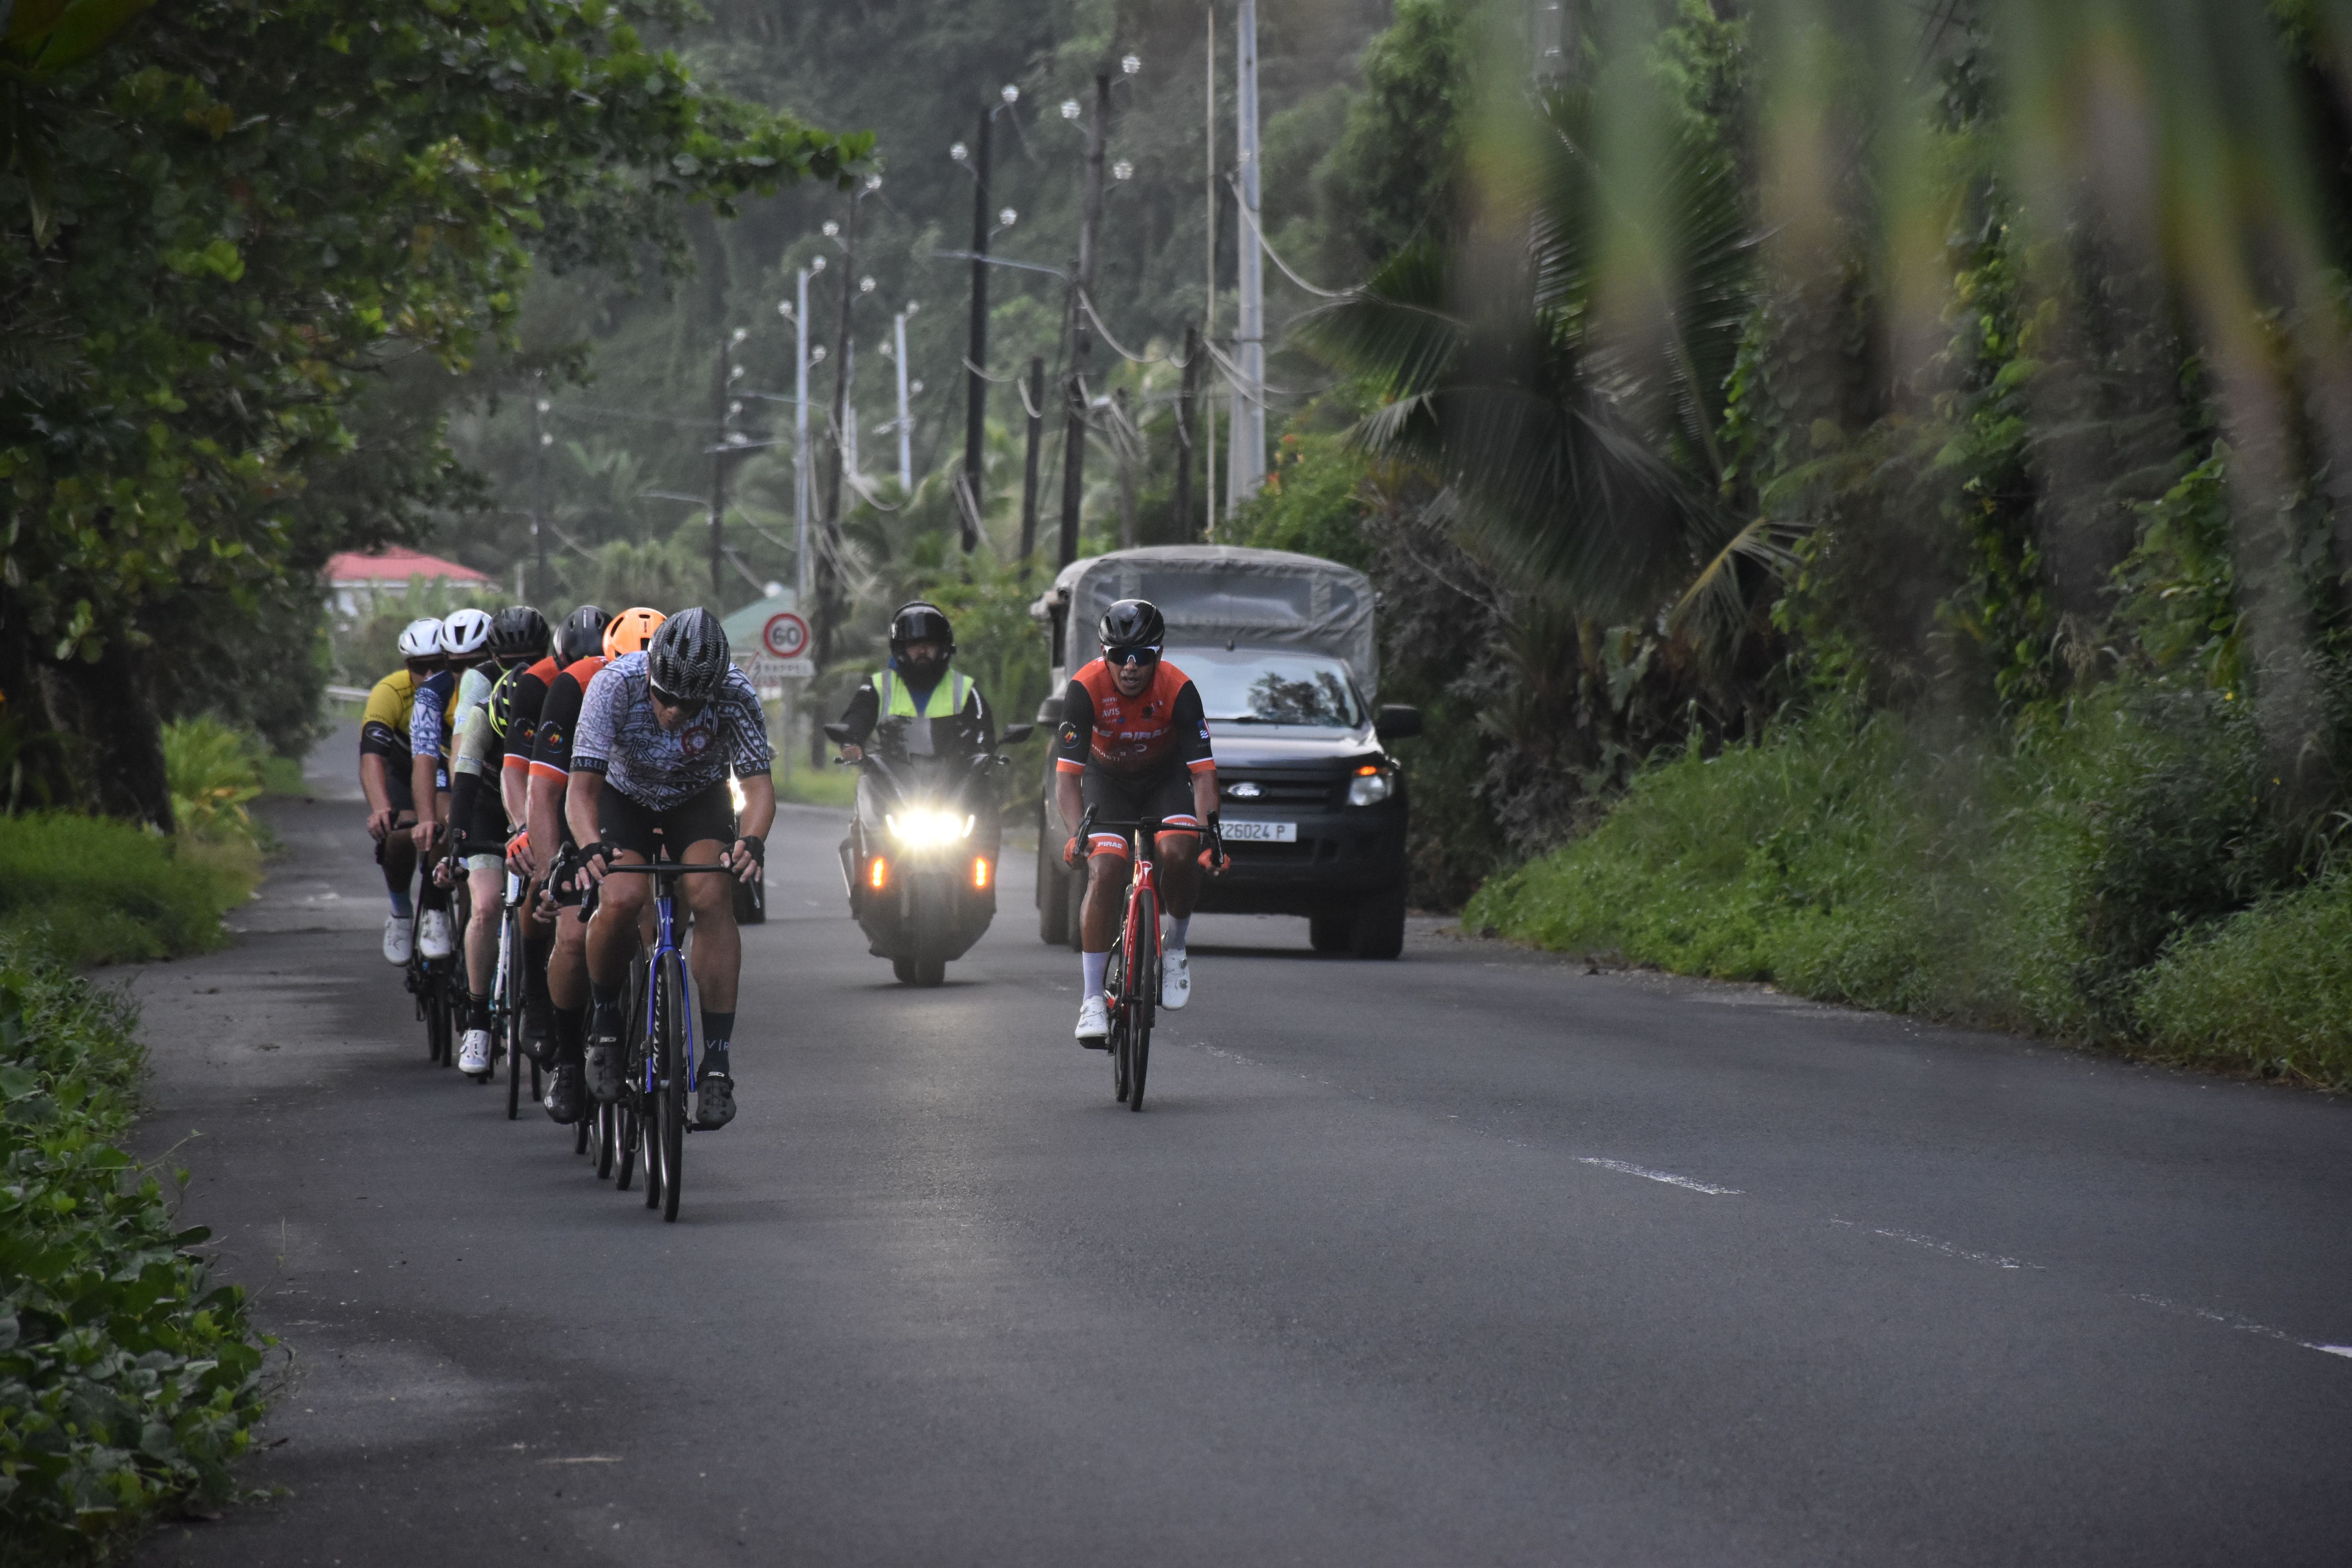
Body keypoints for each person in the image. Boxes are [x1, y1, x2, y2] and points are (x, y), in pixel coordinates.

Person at [563, 608, 772, 1131]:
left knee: (711, 894)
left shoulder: (737, 693)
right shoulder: (615, 684)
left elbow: (760, 789)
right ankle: (607, 1027)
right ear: (650, 673)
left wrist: (752, 840)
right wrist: (590, 847)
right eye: (665, 695)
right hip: (623, 797)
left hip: (696, 799)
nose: (675, 710)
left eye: (689, 701)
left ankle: (718, 1064)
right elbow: (580, 791)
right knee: (622, 899)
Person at [1052, 599, 1223, 1044]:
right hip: (1106, 783)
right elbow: (1068, 781)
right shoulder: (1084, 689)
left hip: (1163, 780)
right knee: (1106, 869)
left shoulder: (1179, 689)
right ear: (1103, 653)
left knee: (1179, 851)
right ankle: (1092, 1000)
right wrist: (1078, 836)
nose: (1129, 667)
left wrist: (1211, 837)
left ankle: (1176, 946)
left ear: (1159, 655)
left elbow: (1203, 773)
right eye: (1118, 656)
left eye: (1142, 657)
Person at [526, 605, 657, 1124]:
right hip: (582, 807)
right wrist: (547, 873)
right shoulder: (576, 685)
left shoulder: (688, 688)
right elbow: (545, 791)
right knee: (574, 936)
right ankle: (568, 1061)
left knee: (654, 915)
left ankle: (653, 1021)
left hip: (647, 809)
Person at [443, 605, 549, 1077]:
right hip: (489, 800)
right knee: (485, 906)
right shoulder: (482, 694)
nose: (521, 667)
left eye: (531, 657)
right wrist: (454, 840)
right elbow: (464, 774)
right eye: (511, 659)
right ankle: (480, 1018)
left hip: (542, 799)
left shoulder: (556, 685)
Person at [407, 605, 495, 961]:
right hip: (449, 767)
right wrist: (427, 819)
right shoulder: (433, 693)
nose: (467, 673)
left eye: (476, 662)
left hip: (494, 769)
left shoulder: (507, 684)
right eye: (456, 666)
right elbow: (425, 758)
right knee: (447, 823)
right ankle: (436, 907)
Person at [360, 617, 443, 963]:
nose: (427, 675)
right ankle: (400, 913)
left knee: (448, 833)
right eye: (417, 667)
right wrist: (381, 808)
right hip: (404, 773)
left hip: (447, 773)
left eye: (436, 665)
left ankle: (441, 911)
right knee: (398, 837)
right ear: (406, 665)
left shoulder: (459, 690)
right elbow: (372, 758)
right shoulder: (390, 692)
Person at [833, 601, 992, 762]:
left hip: (950, 777)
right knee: (865, 785)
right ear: (901, 648)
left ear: (943, 647)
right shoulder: (879, 686)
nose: (923, 651)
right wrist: (850, 742)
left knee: (980, 785)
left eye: (930, 644)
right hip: (891, 775)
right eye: (914, 644)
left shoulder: (964, 689)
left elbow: (983, 730)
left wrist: (982, 754)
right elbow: (857, 717)